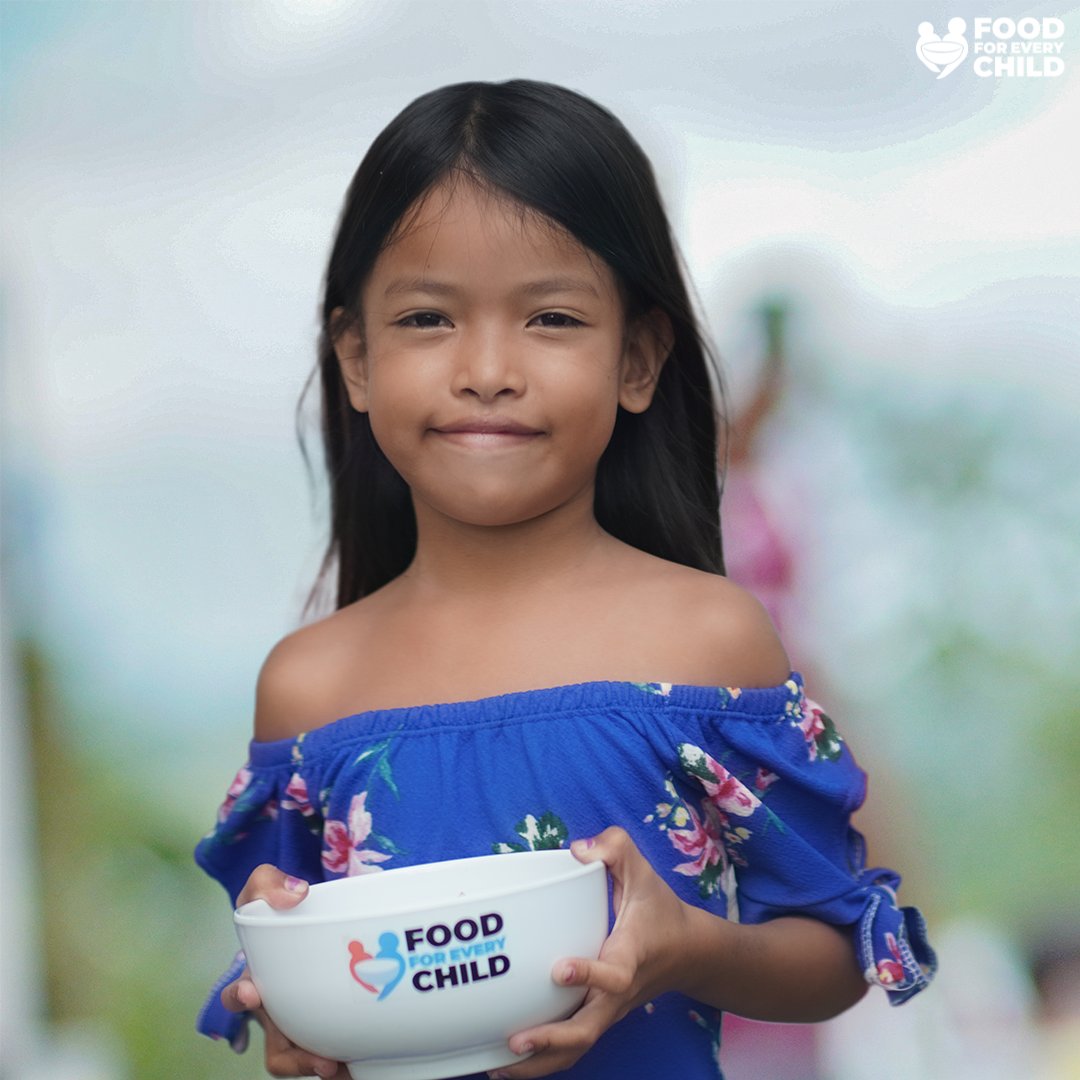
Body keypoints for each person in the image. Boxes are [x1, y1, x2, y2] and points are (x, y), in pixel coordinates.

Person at [194, 79, 936, 1080]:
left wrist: (685, 944)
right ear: (355, 358)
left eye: (549, 318)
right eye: (426, 319)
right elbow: (296, 966)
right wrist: (293, 1017)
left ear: (637, 358)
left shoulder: (707, 642)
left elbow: (833, 951)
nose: (488, 368)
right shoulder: (307, 688)